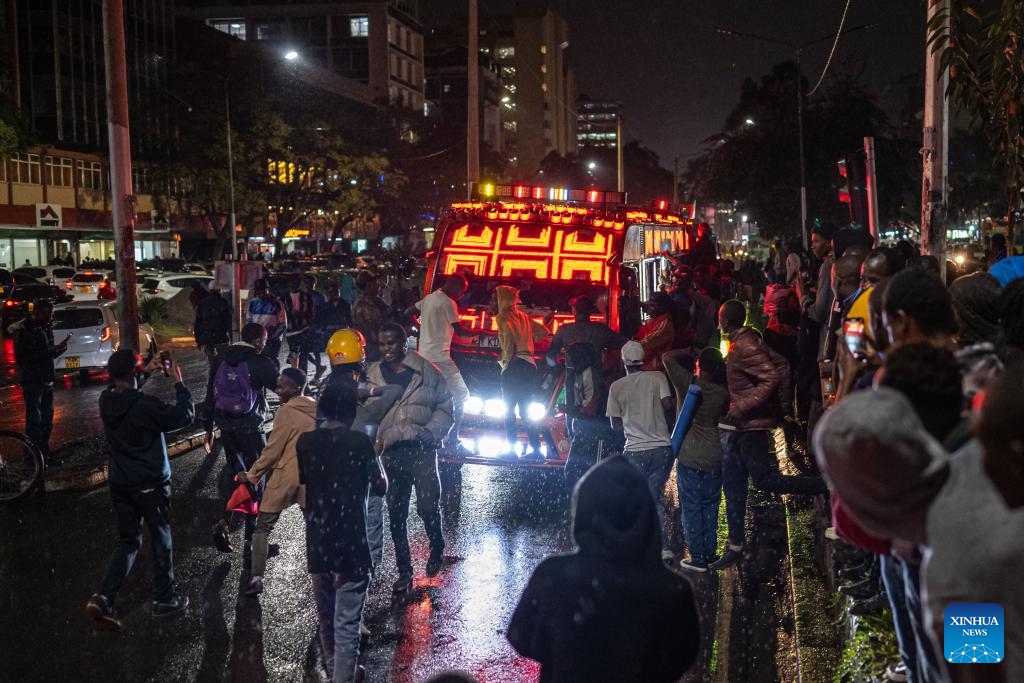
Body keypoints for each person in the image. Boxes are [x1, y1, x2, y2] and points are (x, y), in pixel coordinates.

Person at [506, 455, 700, 683]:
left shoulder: (553, 575)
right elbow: (680, 659)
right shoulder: (673, 591)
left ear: (584, 510)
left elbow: (523, 639)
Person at [85, 349, 195, 631]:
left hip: (121, 483)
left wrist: (147, 369)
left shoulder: (107, 399)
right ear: (132, 374)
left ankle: (104, 596)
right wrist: (180, 384)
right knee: (161, 539)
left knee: (129, 541)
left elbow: (128, 394)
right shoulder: (146, 406)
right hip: (149, 484)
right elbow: (184, 416)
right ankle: (164, 598)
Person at [712, 300, 826, 570]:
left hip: (749, 427)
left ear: (726, 322)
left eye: (720, 319)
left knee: (765, 480)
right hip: (744, 427)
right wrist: (783, 408)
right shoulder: (746, 341)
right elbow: (783, 366)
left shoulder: (744, 346)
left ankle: (823, 485)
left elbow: (772, 376)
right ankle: (735, 546)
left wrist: (743, 406)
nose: (719, 324)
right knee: (734, 485)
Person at [297, 383, 387, 683]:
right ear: (350, 413)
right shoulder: (359, 442)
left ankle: (339, 670)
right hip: (351, 544)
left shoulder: (305, 442)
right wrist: (377, 456)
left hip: (319, 542)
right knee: (347, 624)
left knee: (328, 622)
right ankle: (343, 677)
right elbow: (380, 486)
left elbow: (307, 481)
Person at [365, 323, 453, 593]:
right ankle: (405, 573)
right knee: (396, 515)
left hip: (421, 451)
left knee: (428, 506)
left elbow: (446, 405)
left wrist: (433, 431)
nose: (386, 349)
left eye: (391, 343)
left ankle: (436, 546)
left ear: (405, 344)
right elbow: (367, 411)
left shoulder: (427, 371)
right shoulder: (373, 374)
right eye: (381, 344)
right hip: (389, 453)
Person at [203, 322, 280, 553]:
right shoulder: (258, 361)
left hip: (226, 428)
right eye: (264, 342)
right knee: (257, 478)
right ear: (258, 341)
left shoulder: (220, 359)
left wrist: (207, 427)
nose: (264, 345)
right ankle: (252, 543)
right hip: (251, 428)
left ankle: (224, 521)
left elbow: (210, 393)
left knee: (239, 475)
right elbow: (282, 387)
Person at [241, 367, 317, 596]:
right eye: (278, 384)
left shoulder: (285, 412)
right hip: (310, 477)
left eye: (283, 385)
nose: (277, 388)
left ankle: (256, 578)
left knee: (262, 527)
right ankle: (320, 576)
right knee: (313, 529)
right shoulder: (316, 408)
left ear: (295, 388)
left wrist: (252, 474)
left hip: (286, 475)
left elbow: (273, 451)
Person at [606, 341, 675, 557]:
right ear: (643, 359)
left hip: (634, 451)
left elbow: (615, 425)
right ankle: (661, 547)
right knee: (653, 498)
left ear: (623, 361)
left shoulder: (616, 387)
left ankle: (632, 545)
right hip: (662, 449)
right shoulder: (658, 378)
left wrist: (631, 418)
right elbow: (668, 406)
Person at [665, 348, 730, 572]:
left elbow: (667, 357)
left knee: (691, 505)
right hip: (714, 455)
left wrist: (690, 351)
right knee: (710, 505)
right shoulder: (723, 393)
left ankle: (698, 557)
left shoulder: (688, 384)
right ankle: (711, 552)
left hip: (689, 454)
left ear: (699, 365)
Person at [406, 273, 478, 454]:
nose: (461, 295)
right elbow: (460, 331)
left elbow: (408, 312)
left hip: (424, 358)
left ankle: (425, 438)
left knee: (430, 399)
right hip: (441, 359)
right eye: (462, 291)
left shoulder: (429, 298)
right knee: (461, 396)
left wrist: (421, 327)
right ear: (455, 286)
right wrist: (480, 332)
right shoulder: (448, 302)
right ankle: (453, 440)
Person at [491, 285, 550, 458]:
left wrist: (508, 359)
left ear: (503, 300)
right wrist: (528, 344)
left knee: (509, 410)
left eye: (494, 299)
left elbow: (508, 338)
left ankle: (510, 450)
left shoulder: (502, 317)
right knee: (525, 410)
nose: (491, 303)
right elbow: (544, 332)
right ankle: (536, 449)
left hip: (514, 366)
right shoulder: (523, 316)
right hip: (530, 365)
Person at [14, 300, 69, 466]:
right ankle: (32, 458)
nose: (49, 317)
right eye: (46, 314)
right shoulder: (25, 329)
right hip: (33, 380)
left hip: (46, 378)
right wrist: (48, 351)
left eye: (50, 314)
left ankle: (44, 454)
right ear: (36, 313)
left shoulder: (46, 328)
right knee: (34, 421)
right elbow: (22, 358)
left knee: (47, 420)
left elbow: (46, 353)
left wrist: (56, 351)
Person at [544, 294, 626, 376]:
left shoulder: (563, 330)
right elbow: (624, 344)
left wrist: (557, 370)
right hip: (595, 381)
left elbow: (551, 356)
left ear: (574, 311)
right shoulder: (600, 330)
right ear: (590, 312)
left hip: (571, 381)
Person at [284, 274, 326, 378]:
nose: (308, 285)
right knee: (298, 353)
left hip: (308, 329)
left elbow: (318, 312)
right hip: (294, 331)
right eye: (307, 283)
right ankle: (310, 370)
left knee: (307, 352)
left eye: (310, 283)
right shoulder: (286, 297)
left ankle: (307, 375)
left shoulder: (311, 297)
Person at [246, 278, 288, 363]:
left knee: (271, 363)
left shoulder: (277, 303)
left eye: (262, 290)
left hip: (272, 341)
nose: (260, 292)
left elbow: (283, 324)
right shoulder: (253, 303)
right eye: (258, 290)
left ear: (268, 289)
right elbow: (248, 322)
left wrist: (270, 338)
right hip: (257, 340)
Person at [352, 271, 390, 363]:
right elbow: (379, 327)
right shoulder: (363, 305)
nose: (378, 285)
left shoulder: (375, 301)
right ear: (369, 285)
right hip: (372, 352)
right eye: (375, 282)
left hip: (378, 349)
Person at [635, 292, 679, 372]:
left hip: (654, 371)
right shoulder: (655, 320)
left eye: (652, 306)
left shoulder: (664, 325)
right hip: (646, 367)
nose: (647, 308)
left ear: (661, 308)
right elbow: (639, 336)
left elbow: (644, 344)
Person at [194, 288, 232, 365]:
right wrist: (231, 336)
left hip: (206, 338)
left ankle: (213, 375)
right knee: (224, 361)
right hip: (221, 337)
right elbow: (228, 321)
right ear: (219, 291)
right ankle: (221, 375)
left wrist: (198, 340)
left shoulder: (203, 303)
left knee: (211, 362)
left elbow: (197, 323)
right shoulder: (223, 302)